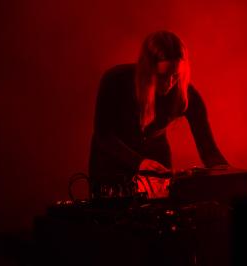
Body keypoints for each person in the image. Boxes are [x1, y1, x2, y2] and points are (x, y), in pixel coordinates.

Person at [88, 30, 229, 196]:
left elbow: (209, 151)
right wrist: (138, 162)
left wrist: (233, 177)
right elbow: (103, 134)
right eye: (162, 76)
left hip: (155, 166)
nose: (169, 83)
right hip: (111, 167)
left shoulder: (187, 94)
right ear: (147, 70)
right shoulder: (115, 80)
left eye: (175, 76)